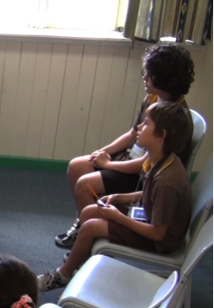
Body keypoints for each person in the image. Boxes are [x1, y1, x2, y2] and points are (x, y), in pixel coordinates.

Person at [39, 102, 193, 292]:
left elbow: (157, 233)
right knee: (88, 212)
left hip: (160, 240)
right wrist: (119, 197)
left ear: (161, 135)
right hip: (149, 216)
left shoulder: (167, 180)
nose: (139, 127)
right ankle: (85, 268)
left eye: (146, 123)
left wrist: (117, 216)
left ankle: (63, 275)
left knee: (90, 226)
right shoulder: (157, 159)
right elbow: (148, 194)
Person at [56, 43, 194, 248]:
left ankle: (91, 236)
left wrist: (109, 165)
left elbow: (147, 164)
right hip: (129, 159)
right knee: (77, 165)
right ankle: (84, 223)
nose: (144, 77)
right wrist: (104, 152)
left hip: (141, 177)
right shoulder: (152, 98)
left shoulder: (174, 118)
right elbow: (133, 133)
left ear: (165, 79)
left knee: (85, 185)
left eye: (150, 74)